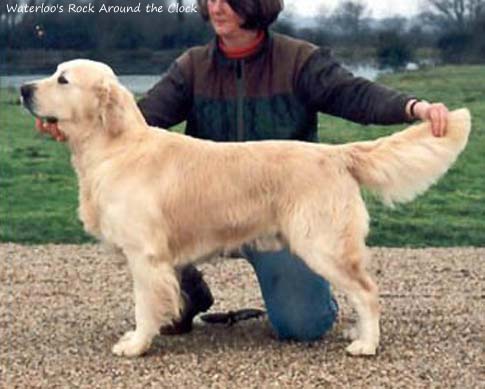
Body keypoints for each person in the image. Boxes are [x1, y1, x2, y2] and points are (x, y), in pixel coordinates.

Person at [37, 0, 449, 341]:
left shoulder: (298, 59)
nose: (216, 7)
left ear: (256, 6)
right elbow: (143, 119)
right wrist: (72, 120)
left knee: (303, 325)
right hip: (204, 213)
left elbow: (353, 94)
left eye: (229, 0)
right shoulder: (193, 65)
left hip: (279, 204)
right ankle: (183, 298)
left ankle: (351, 306)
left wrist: (413, 108)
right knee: (148, 230)